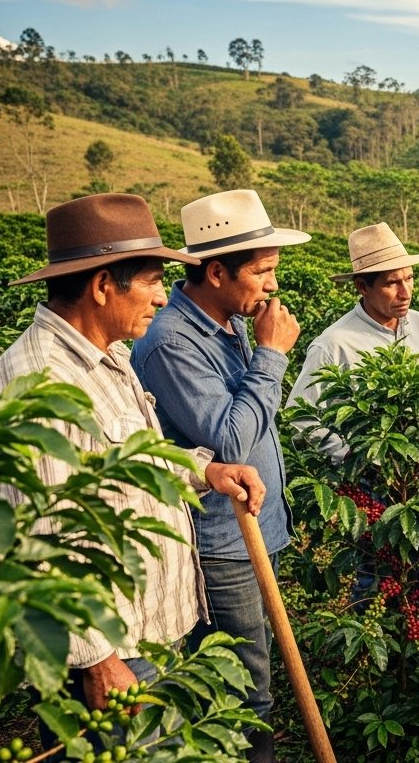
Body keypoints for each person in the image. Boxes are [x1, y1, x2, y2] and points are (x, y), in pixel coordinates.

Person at [0, 193, 265, 750]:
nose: (164, 296)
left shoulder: (106, 357)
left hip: (148, 637)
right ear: (104, 284)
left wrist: (204, 472)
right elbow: (36, 537)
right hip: (113, 653)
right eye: (154, 280)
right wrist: (96, 658)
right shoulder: (40, 382)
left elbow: (131, 457)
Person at [131, 189, 308, 763]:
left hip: (256, 526)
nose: (272, 286)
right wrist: (272, 355)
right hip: (221, 542)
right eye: (263, 272)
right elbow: (231, 440)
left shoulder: (230, 321)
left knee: (257, 667)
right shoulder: (171, 343)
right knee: (242, 686)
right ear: (215, 272)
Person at [288, 221, 419, 462]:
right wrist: (351, 455)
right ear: (362, 287)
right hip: (367, 480)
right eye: (392, 283)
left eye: (409, 278)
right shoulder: (332, 344)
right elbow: (299, 417)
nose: (406, 292)